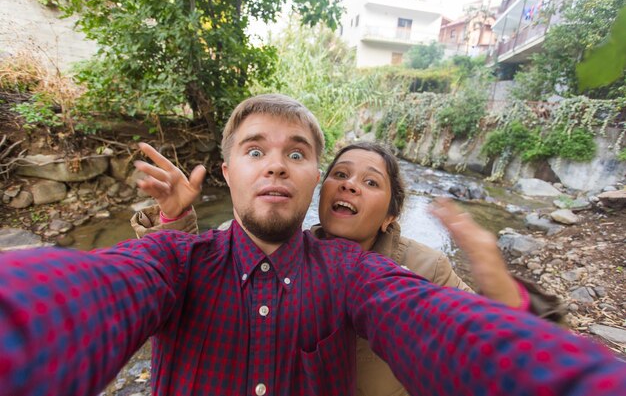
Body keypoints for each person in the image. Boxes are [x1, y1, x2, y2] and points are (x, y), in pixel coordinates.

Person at [0, 94, 625, 396]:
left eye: (296, 154)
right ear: (227, 175)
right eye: (255, 151)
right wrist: (171, 227)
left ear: (310, 177)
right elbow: (89, 292)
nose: (276, 166)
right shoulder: (178, 259)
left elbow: (452, 332)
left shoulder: (361, 272)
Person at [132, 141, 563, 396]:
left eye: (371, 182)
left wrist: (508, 303)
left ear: (391, 215)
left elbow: (488, 352)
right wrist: (175, 221)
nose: (349, 185)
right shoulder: (282, 250)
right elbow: (203, 272)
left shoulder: (423, 269)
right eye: (340, 174)